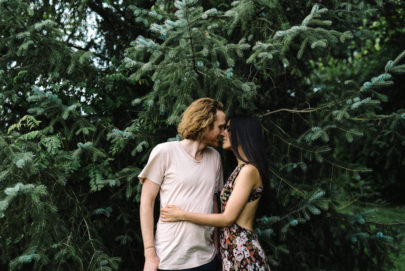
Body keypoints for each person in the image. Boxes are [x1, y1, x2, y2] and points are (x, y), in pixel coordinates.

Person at [161, 116, 271, 271]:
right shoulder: (240, 170)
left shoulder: (248, 171)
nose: (223, 133)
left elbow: (227, 219)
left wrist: (181, 215)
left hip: (243, 252)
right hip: (233, 252)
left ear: (243, 133)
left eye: (229, 129)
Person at [139, 98, 226, 271]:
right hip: (170, 259)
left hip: (206, 259)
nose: (223, 133)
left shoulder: (215, 157)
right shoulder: (165, 152)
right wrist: (150, 255)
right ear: (205, 124)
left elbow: (214, 202)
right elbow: (146, 203)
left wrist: (216, 246)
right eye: (220, 127)